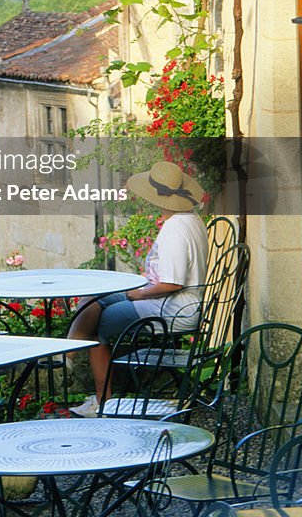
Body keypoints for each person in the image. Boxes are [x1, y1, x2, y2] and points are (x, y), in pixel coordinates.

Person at [68, 160, 208, 417]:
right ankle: (70, 351)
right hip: (173, 301)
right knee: (95, 296)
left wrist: (136, 293)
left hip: (174, 308)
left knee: (100, 326)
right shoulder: (189, 218)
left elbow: (171, 283)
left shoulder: (176, 228)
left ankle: (102, 402)